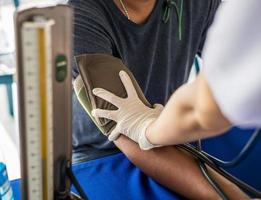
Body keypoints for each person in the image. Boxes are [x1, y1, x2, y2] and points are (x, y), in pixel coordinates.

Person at [70, 0, 248, 199]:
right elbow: (127, 134)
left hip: (172, 132)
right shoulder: (77, 17)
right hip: (104, 153)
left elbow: (243, 68)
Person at [91, 0, 261, 148]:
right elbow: (119, 132)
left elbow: (205, 107)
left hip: (172, 131)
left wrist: (146, 128)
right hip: (107, 152)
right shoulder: (83, 16)